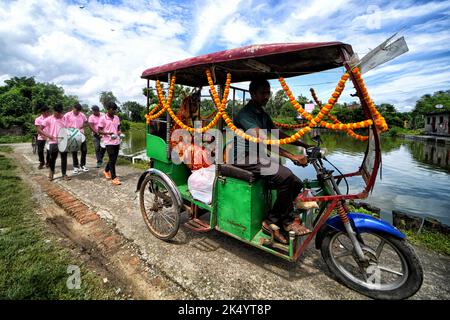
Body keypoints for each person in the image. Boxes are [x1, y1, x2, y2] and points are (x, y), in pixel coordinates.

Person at [233, 79, 311, 244]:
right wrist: (292, 156)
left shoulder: (262, 114)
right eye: (263, 93)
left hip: (258, 156)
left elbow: (277, 134)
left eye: (268, 93)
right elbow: (265, 140)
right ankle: (271, 221)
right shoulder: (245, 115)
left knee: (296, 183)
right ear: (252, 94)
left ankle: (285, 219)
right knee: (286, 176)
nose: (267, 97)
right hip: (243, 157)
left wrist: (302, 144)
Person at [41, 103, 71, 181]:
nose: (59, 114)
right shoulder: (49, 119)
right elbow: (39, 129)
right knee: (52, 158)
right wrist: (48, 135)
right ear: (54, 111)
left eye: (60, 112)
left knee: (64, 158)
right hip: (53, 142)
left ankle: (64, 174)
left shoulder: (64, 118)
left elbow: (67, 128)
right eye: (57, 112)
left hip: (63, 141)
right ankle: (51, 172)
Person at [98, 102, 122, 186]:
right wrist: (108, 133)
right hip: (108, 141)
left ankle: (106, 171)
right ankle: (114, 178)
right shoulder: (102, 118)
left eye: (115, 110)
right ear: (108, 109)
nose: (114, 111)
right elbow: (99, 130)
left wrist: (119, 132)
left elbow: (118, 127)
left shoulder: (116, 118)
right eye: (112, 110)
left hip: (116, 141)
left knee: (114, 159)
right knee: (112, 158)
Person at [64, 102, 88, 174]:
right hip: (72, 135)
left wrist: (83, 125)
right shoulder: (67, 115)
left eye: (79, 111)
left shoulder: (82, 115)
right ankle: (75, 166)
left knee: (84, 150)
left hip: (81, 134)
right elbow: (63, 124)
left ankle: (83, 165)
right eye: (76, 110)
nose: (78, 112)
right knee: (74, 151)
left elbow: (86, 122)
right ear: (73, 108)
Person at [34, 103, 51, 169]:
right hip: (41, 137)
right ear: (43, 112)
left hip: (49, 137)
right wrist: (44, 136)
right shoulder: (38, 119)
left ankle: (48, 162)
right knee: (40, 151)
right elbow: (38, 129)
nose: (48, 113)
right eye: (47, 111)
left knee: (49, 151)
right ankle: (42, 162)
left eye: (48, 111)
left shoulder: (50, 118)